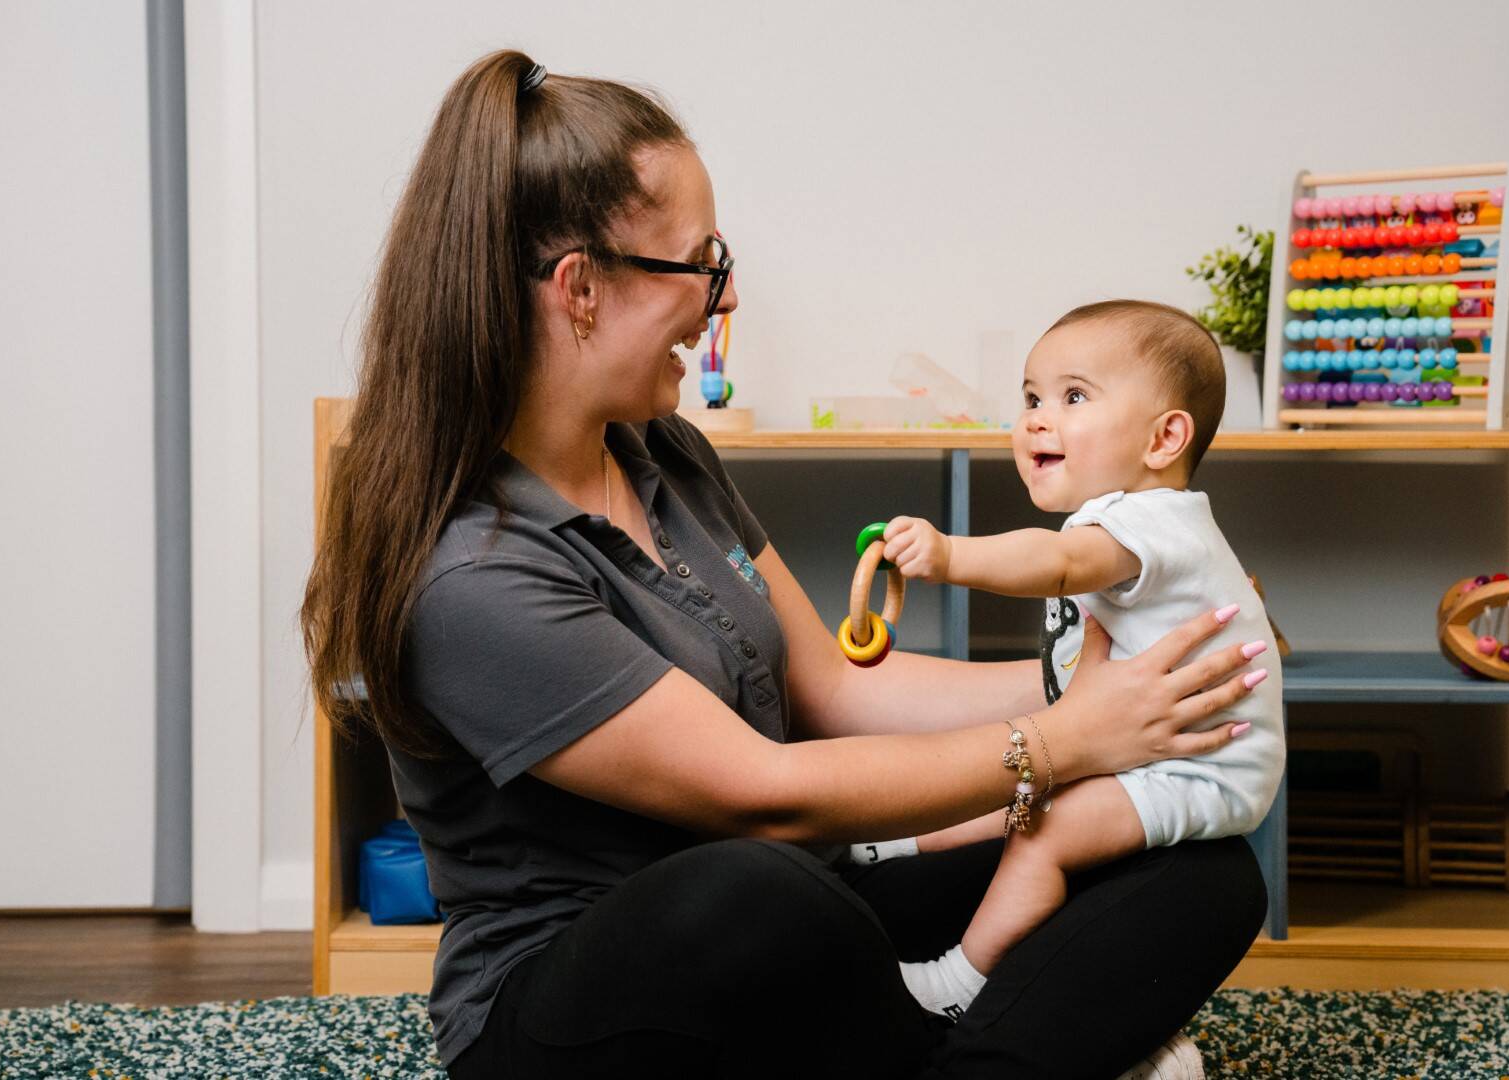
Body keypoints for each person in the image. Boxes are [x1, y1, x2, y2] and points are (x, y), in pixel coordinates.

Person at [301, 51, 1269, 1080]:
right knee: (755, 888)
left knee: (1190, 867)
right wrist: (1067, 737)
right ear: (581, 289)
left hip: (801, 910)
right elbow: (766, 793)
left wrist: (1117, 680)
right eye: (700, 264)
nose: (720, 303)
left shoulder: (664, 450)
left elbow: (833, 685)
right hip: (591, 996)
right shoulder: (472, 572)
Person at [859, 301, 1285, 1022]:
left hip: (1200, 770)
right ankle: (887, 844)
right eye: (1030, 397)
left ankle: (960, 982)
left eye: (1073, 396)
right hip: (1149, 747)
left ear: (1165, 438)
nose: (1035, 418)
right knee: (1021, 789)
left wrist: (949, 553)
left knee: (1041, 828)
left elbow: (1054, 561)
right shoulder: (1139, 519)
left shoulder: (1145, 522)